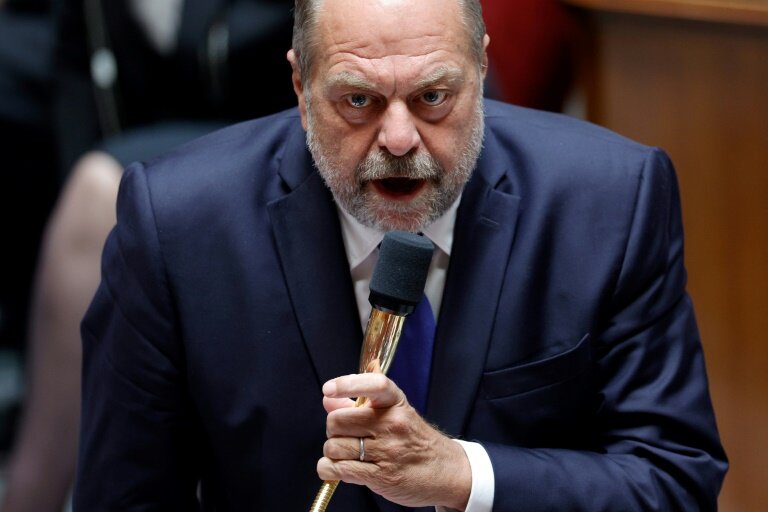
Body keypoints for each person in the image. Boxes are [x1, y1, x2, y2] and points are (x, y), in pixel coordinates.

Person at [74, 0, 728, 510]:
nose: (397, 137)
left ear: (481, 70)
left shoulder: (610, 200)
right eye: (358, 100)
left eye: (433, 97)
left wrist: (461, 475)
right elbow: (124, 498)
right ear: (301, 87)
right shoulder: (178, 225)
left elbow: (673, 482)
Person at [2, 1, 296, 510]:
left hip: (289, 117)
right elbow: (83, 55)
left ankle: (32, 493)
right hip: (158, 110)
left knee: (100, 194)